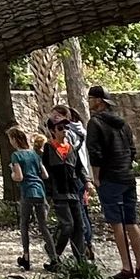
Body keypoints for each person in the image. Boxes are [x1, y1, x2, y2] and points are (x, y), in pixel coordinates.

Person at [85, 85, 140, 279]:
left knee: (117, 224)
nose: (88, 102)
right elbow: (132, 150)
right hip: (127, 176)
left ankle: (126, 267)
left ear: (99, 101)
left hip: (110, 178)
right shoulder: (123, 124)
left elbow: (95, 152)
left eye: (91, 98)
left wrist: (96, 177)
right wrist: (126, 166)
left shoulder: (95, 123)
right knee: (131, 221)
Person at [39, 113, 93, 268]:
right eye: (60, 128)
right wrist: (47, 195)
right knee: (67, 225)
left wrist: (87, 182)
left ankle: (80, 260)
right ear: (52, 131)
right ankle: (54, 254)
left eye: (66, 128)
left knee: (79, 226)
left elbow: (79, 168)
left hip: (74, 192)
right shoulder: (49, 148)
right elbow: (44, 173)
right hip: (59, 193)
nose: (64, 131)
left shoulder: (71, 149)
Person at [6, 129, 54, 269]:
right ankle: (54, 257)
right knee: (43, 226)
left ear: (15, 139)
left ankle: (26, 256)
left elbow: (19, 177)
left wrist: (12, 173)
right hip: (40, 191)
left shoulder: (16, 156)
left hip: (27, 191)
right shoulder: (34, 154)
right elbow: (44, 174)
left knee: (24, 225)